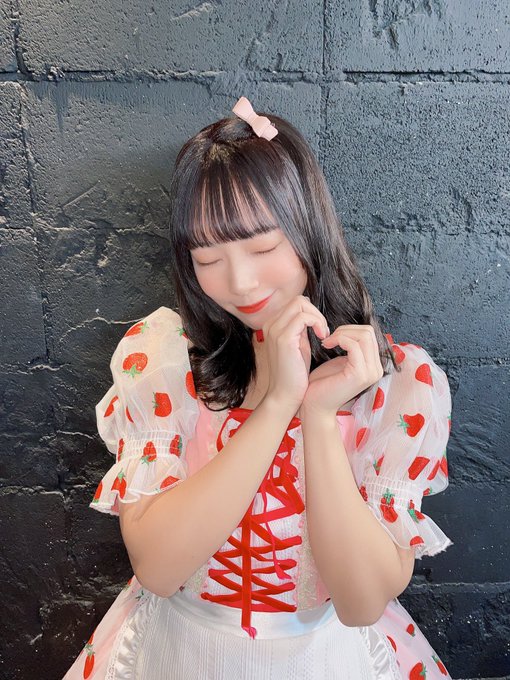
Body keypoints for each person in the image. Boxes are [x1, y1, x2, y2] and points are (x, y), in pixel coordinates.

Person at [63, 96, 454, 679]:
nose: (240, 282)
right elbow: (159, 571)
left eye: (264, 247)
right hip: (176, 653)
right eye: (207, 258)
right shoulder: (164, 361)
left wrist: (318, 417)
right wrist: (275, 406)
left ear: (309, 230)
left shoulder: (396, 387)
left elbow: (361, 604)